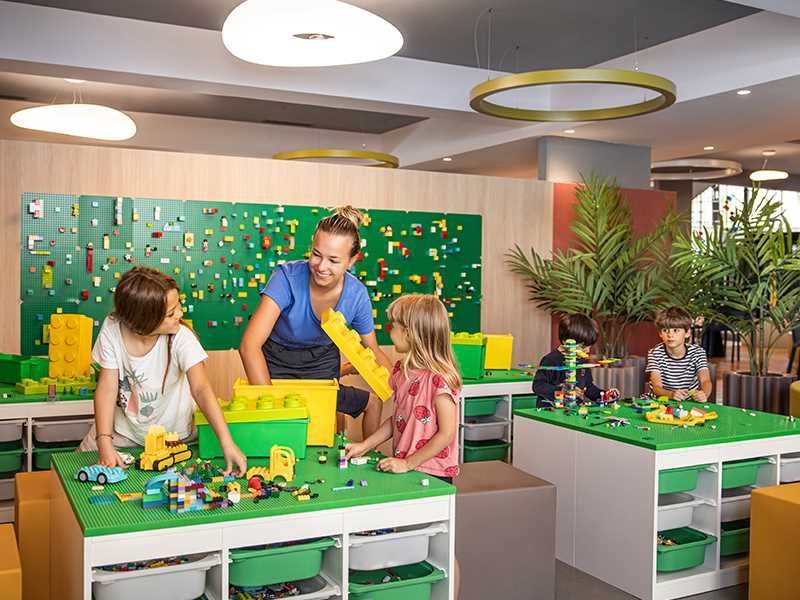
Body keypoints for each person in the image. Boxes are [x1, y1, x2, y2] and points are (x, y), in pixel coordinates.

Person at [239, 206, 392, 439]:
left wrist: (404, 385)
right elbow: (249, 345)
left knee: (319, 432)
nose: (321, 267)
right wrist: (272, 408)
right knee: (282, 433)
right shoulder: (286, 277)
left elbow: (372, 350)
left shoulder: (357, 295)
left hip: (322, 362)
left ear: (352, 260)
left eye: (333, 260)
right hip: (276, 361)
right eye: (316, 254)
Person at [79, 266, 247, 476]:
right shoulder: (112, 329)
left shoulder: (181, 338)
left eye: (178, 306)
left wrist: (227, 442)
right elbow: (107, 388)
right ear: (144, 321)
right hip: (121, 432)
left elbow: (201, 389)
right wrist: (104, 442)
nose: (180, 313)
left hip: (174, 439)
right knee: (74, 471)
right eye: (170, 313)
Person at [344, 294, 460, 598]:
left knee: (441, 545)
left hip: (432, 473)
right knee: (408, 538)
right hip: (406, 469)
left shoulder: (440, 380)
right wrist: (365, 445)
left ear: (411, 332)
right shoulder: (401, 371)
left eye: (393, 325)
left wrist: (408, 463)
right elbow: (397, 419)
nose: (388, 331)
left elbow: (445, 434)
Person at [533, 314, 618, 406]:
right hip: (551, 412)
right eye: (583, 347)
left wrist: (605, 395)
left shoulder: (582, 359)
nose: (587, 350)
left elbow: (588, 387)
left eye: (589, 346)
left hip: (574, 411)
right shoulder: (551, 360)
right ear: (566, 342)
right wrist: (561, 391)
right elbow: (538, 386)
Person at [647, 307, 712, 401]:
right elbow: (656, 387)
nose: (670, 335)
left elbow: (706, 381)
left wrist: (704, 394)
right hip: (661, 401)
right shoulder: (655, 353)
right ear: (660, 333)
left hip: (690, 401)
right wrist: (671, 394)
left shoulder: (698, 352)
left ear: (687, 333)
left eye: (676, 330)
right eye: (665, 330)